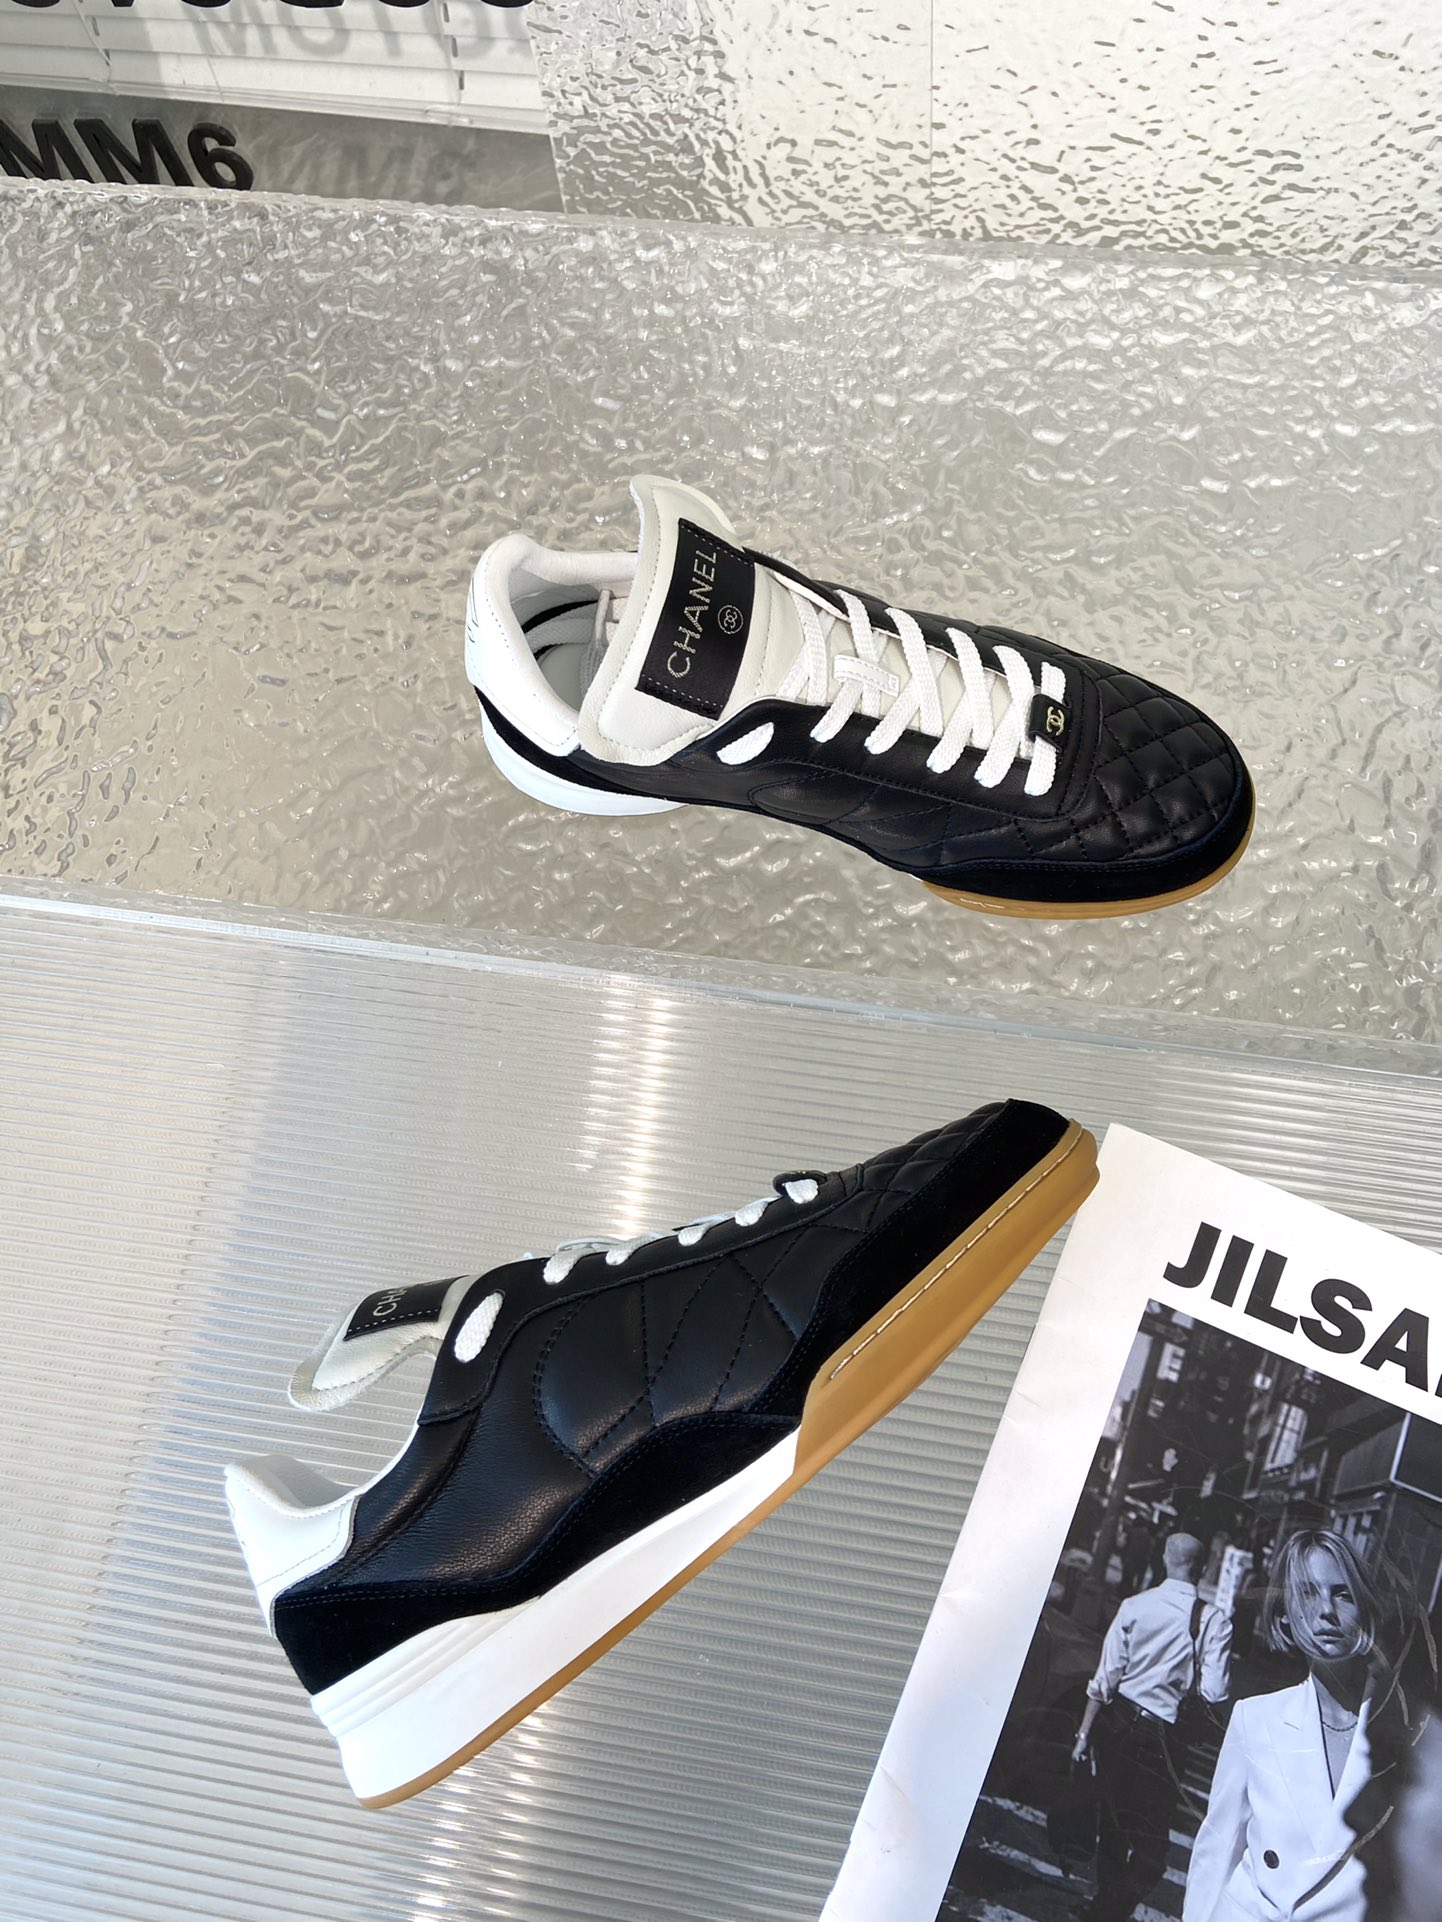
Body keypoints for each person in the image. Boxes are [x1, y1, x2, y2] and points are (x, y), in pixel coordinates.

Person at [1184, 1528, 1413, 1922]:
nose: (1326, 1610)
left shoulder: (1411, 1733)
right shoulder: (1254, 1719)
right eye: (1307, 1593)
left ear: (1366, 1610)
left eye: (1343, 1594)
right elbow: (1216, 1853)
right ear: (1285, 1618)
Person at [1071, 1531, 1232, 1921]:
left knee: (1112, 1825)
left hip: (1118, 1725)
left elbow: (1104, 1681)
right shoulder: (1214, 1621)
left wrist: (1083, 1734)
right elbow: (1215, 1692)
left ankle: (1103, 1909)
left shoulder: (1134, 1606)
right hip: (1165, 1739)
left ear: (1164, 1559)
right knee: (1152, 1846)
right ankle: (1110, 1911)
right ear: (1202, 1568)